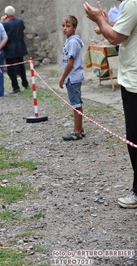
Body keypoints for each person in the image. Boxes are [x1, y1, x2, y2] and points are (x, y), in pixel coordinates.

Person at [84, 0, 137, 208]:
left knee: (134, 139)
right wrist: (106, 22)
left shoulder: (133, 3)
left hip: (134, 83)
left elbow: (116, 37)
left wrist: (99, 19)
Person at [59, 15, 85, 141]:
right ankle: (80, 129)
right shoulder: (70, 40)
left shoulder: (73, 42)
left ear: (74, 28)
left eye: (68, 26)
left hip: (72, 77)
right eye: (63, 26)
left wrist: (62, 77)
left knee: (76, 105)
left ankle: (76, 131)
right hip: (72, 77)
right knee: (76, 104)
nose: (65, 28)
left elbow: (70, 63)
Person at [1, 6, 29, 94]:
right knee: (21, 66)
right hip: (20, 46)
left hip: (9, 47)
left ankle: (15, 87)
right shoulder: (20, 21)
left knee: (11, 69)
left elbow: (1, 33)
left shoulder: (4, 24)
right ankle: (25, 83)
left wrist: (1, 21)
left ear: (6, 14)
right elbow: (23, 30)